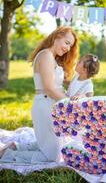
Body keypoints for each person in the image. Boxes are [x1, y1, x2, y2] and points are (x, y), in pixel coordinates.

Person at [29, 26, 79, 162]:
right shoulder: (46, 55)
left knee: (58, 149)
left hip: (52, 105)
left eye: (71, 46)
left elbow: (58, 84)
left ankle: (16, 147)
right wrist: (72, 103)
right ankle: (7, 154)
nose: (68, 48)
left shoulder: (51, 57)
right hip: (45, 106)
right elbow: (49, 89)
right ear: (57, 37)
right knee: (53, 157)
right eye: (67, 43)